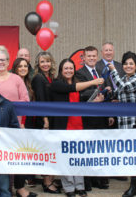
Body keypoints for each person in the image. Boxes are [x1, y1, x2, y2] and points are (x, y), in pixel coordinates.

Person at [50, 58, 104, 197]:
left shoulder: (77, 84)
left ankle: (80, 186)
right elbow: (71, 88)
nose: (69, 71)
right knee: (65, 158)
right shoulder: (57, 84)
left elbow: (83, 103)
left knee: (78, 158)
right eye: (66, 68)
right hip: (63, 127)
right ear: (61, 71)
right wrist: (93, 82)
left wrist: (95, 101)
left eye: (71, 68)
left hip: (79, 126)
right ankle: (68, 188)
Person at [107, 52, 136, 197]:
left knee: (135, 155)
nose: (128, 66)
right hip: (123, 122)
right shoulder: (122, 78)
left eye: (131, 64)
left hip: (134, 122)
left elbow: (124, 88)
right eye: (126, 64)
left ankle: (134, 187)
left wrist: (113, 71)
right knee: (128, 155)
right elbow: (118, 93)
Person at [75, 46, 110, 190]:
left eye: (94, 56)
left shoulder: (101, 71)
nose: (92, 58)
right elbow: (82, 93)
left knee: (100, 150)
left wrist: (108, 92)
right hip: (87, 118)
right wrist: (96, 97)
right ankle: (87, 181)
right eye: (89, 56)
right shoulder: (79, 73)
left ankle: (99, 179)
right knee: (88, 150)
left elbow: (105, 89)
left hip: (101, 117)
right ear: (83, 58)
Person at [31, 51, 60, 194]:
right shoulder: (38, 78)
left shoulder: (51, 77)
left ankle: (51, 179)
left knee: (53, 150)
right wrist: (45, 119)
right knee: (46, 152)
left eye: (47, 61)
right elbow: (40, 100)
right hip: (44, 120)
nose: (45, 64)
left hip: (53, 117)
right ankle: (46, 182)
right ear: (38, 64)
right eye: (42, 62)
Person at [10, 57, 37, 197]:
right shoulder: (11, 81)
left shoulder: (28, 82)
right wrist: (21, 123)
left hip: (28, 123)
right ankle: (18, 188)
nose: (23, 68)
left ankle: (20, 186)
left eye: (25, 66)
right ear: (15, 68)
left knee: (23, 156)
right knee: (16, 156)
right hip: (17, 123)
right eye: (20, 66)